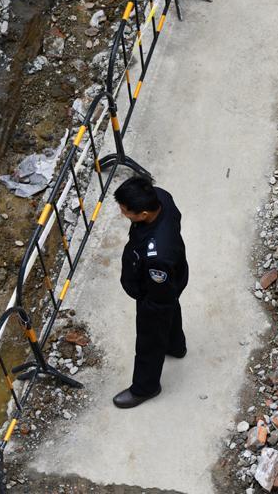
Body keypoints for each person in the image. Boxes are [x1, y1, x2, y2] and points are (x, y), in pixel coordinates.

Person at [112, 175, 188, 408]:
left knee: (149, 338)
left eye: (125, 211)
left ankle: (145, 387)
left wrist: (146, 302)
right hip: (175, 278)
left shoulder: (158, 256)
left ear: (143, 214)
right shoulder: (162, 197)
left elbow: (160, 296)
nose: (122, 213)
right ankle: (175, 346)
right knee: (172, 307)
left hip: (155, 293)